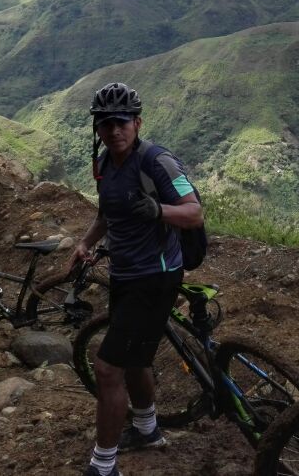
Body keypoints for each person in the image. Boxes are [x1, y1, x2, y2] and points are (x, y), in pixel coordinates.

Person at [72, 81, 204, 476]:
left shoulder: (158, 162)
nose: (114, 130)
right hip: (125, 274)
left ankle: (104, 464)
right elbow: (105, 214)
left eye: (121, 122)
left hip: (156, 276)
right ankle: (147, 430)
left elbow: (194, 213)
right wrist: (85, 243)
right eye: (105, 123)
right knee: (133, 359)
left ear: (137, 122)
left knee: (109, 368)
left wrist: (155, 209)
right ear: (97, 127)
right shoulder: (104, 164)